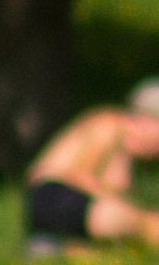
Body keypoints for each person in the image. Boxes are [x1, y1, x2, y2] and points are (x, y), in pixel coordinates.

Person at [21, 88, 159, 253]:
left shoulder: (126, 152)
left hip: (69, 204)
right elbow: (80, 177)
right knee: (143, 223)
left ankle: (59, 247)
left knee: (132, 223)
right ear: (147, 121)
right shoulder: (110, 123)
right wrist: (128, 210)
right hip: (55, 194)